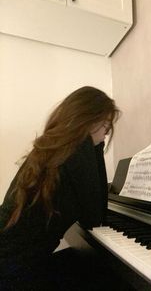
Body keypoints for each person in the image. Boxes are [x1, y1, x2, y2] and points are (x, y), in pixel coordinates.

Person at [0, 86, 121, 290]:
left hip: (12, 258)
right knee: (101, 275)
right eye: (106, 127)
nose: (105, 136)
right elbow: (95, 217)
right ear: (90, 120)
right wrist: (96, 147)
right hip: (14, 272)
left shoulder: (53, 148)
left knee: (88, 265)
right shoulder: (78, 151)